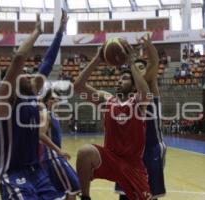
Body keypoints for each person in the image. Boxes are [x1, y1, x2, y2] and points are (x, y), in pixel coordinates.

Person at [0, 11, 67, 200]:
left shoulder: (33, 92)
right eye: (23, 73)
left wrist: (59, 33)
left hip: (36, 170)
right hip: (12, 172)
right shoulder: (6, 98)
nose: (28, 75)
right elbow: (19, 58)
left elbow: (48, 62)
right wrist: (37, 32)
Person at [74, 41, 152, 200]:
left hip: (133, 165)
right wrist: (97, 59)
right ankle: (85, 197)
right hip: (110, 158)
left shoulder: (138, 103)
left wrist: (131, 62)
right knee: (84, 153)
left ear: (133, 85)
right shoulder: (107, 100)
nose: (119, 81)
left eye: (124, 79)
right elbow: (78, 87)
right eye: (119, 78)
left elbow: (145, 91)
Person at [115, 35, 166, 200]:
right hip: (130, 151)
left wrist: (149, 46)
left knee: (149, 194)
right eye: (134, 69)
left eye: (140, 68)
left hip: (151, 148)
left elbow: (154, 63)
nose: (136, 71)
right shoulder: (128, 95)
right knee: (125, 193)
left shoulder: (150, 86)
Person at [40, 89, 80, 200]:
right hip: (51, 157)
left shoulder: (54, 115)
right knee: (73, 186)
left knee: (66, 190)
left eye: (57, 99)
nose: (55, 101)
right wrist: (59, 151)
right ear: (46, 101)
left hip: (55, 157)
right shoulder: (45, 114)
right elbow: (40, 134)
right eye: (52, 98)